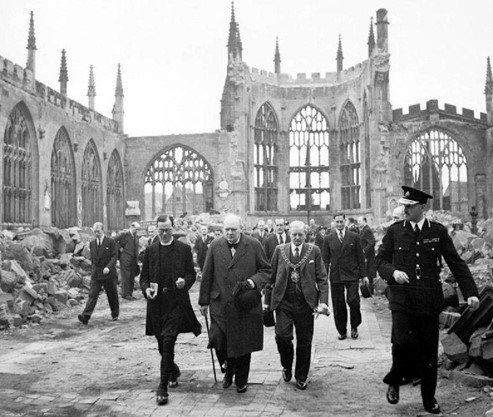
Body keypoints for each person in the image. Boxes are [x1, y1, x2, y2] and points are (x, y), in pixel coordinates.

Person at [376, 186, 480, 415]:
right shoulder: (394, 232)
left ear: (422, 207)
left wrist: (471, 292)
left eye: (410, 206)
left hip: (427, 299)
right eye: (404, 206)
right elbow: (380, 260)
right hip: (402, 299)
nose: (405, 210)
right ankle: (395, 381)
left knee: (428, 349)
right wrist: (393, 273)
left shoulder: (438, 231)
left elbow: (456, 263)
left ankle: (428, 398)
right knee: (401, 342)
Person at [199, 214, 271, 394]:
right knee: (220, 340)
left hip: (244, 302)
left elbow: (266, 270)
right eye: (227, 230)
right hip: (220, 302)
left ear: (241, 228)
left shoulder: (253, 244)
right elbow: (207, 273)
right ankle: (227, 367)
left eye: (233, 230)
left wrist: (253, 282)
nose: (230, 233)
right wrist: (203, 301)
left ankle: (241, 378)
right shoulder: (215, 245)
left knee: (243, 342)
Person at [140, 214, 201, 406]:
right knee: (161, 344)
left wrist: (185, 282)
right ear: (156, 230)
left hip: (176, 302)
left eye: (167, 230)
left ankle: (162, 387)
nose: (164, 234)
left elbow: (191, 274)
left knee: (168, 341)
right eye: (161, 231)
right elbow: (143, 278)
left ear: (173, 229)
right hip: (157, 304)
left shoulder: (183, 249)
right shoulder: (150, 251)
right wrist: (146, 290)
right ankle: (173, 370)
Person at [265, 220, 329, 390]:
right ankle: (286, 365)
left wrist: (323, 302)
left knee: (304, 341)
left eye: (300, 234)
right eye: (294, 234)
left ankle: (301, 376)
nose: (297, 237)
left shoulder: (313, 251)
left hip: (305, 303)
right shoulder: (280, 251)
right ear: (289, 234)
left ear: (305, 235)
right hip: (283, 302)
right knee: (283, 336)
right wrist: (266, 302)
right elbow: (270, 277)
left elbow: (322, 278)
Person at [322, 212, 368, 340]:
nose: (339, 224)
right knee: (338, 304)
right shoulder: (328, 238)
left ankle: (354, 326)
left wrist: (364, 275)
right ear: (334, 222)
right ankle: (342, 330)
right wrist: (323, 276)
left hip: (352, 274)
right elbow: (325, 259)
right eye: (337, 222)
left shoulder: (354, 237)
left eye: (341, 221)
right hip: (336, 275)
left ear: (345, 221)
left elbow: (360, 257)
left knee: (353, 301)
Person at [78, 222, 119, 325]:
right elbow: (93, 259)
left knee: (112, 295)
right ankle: (85, 316)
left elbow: (114, 257)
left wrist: (108, 267)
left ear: (103, 230)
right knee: (92, 294)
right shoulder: (92, 243)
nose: (97, 233)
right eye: (95, 232)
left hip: (108, 273)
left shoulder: (110, 242)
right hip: (96, 273)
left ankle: (115, 314)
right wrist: (93, 270)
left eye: (99, 231)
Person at [115, 222, 141, 300]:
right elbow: (114, 241)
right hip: (125, 258)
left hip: (133, 259)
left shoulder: (136, 236)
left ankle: (130, 293)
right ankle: (125, 294)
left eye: (138, 230)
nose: (136, 231)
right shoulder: (124, 234)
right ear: (132, 227)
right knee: (126, 276)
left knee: (132, 276)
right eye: (136, 229)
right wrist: (120, 248)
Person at [357, 216, 376, 294]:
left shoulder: (367, 230)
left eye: (360, 221)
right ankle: (368, 291)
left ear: (365, 221)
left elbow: (371, 242)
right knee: (367, 273)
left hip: (369, 256)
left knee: (369, 273)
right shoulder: (363, 230)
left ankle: (369, 291)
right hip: (366, 256)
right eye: (357, 221)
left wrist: (364, 251)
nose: (358, 222)